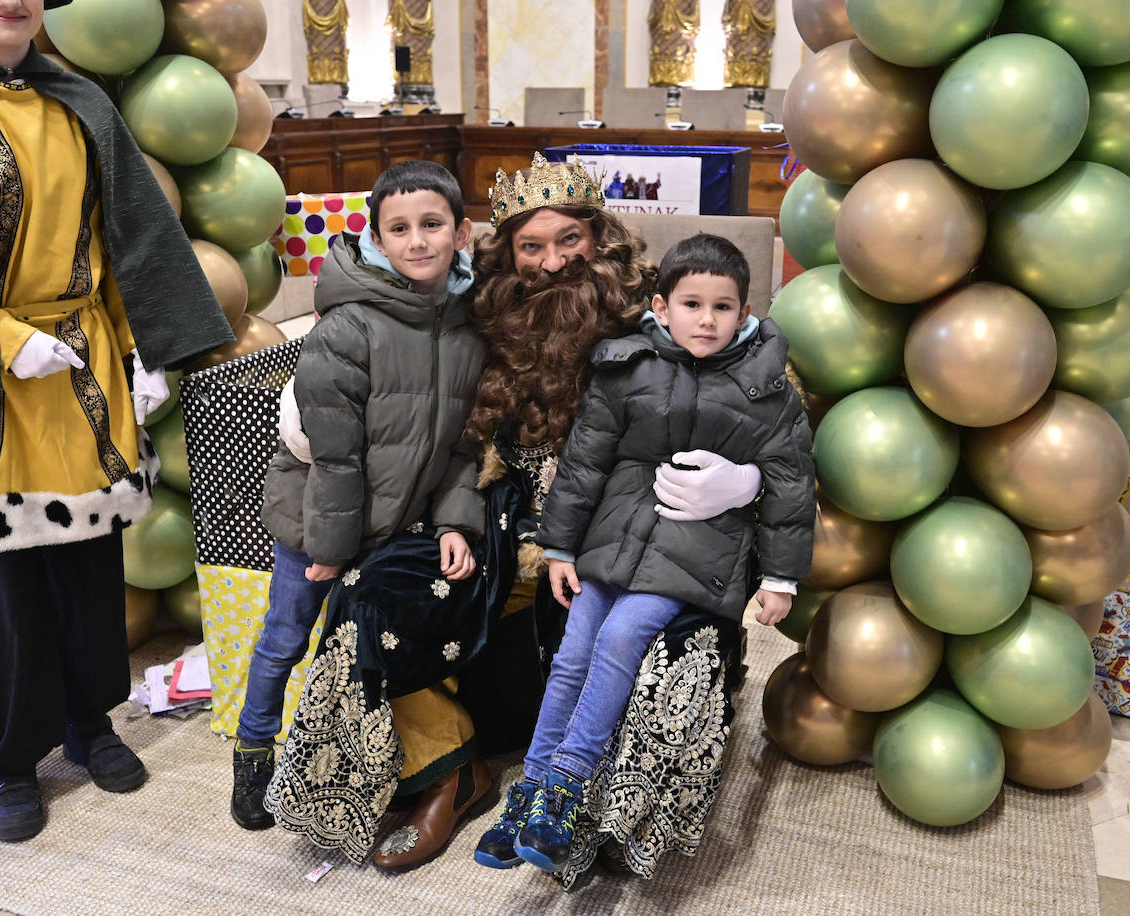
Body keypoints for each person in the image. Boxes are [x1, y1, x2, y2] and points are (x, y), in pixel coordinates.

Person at [268, 154, 764, 881]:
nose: (554, 262)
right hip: (500, 527)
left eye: (570, 241)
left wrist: (744, 481)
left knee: (659, 641)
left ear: (602, 242)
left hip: (636, 535)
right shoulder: (480, 320)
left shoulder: (657, 310)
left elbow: (759, 365)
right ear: (507, 254)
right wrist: (453, 522)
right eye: (532, 247)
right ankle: (449, 771)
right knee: (377, 590)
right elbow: (435, 426)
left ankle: (596, 807)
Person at [0, 0, 234, 842]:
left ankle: (90, 722)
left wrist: (144, 345)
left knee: (90, 572)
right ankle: (12, 756)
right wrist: (4, 340)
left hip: (86, 368)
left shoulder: (79, 99)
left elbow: (127, 235)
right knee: (1, 587)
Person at [474, 233, 815, 873]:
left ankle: (566, 788)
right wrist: (561, 547)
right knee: (572, 653)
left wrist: (781, 578)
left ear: (745, 312)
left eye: (723, 306)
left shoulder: (766, 387)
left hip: (694, 548)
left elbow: (792, 487)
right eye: (692, 304)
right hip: (612, 540)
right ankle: (530, 791)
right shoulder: (625, 365)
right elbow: (583, 463)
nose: (707, 319)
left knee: (620, 639)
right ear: (660, 305)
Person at [230, 160, 488, 835]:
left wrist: (455, 521)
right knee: (286, 636)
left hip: (398, 526)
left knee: (360, 646)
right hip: (318, 520)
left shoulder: (467, 328)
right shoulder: (347, 327)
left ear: (461, 231)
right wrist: (328, 549)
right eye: (398, 228)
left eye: (432, 224)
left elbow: (463, 444)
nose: (418, 241)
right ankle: (253, 751)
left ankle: (361, 758)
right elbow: (335, 456)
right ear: (375, 236)